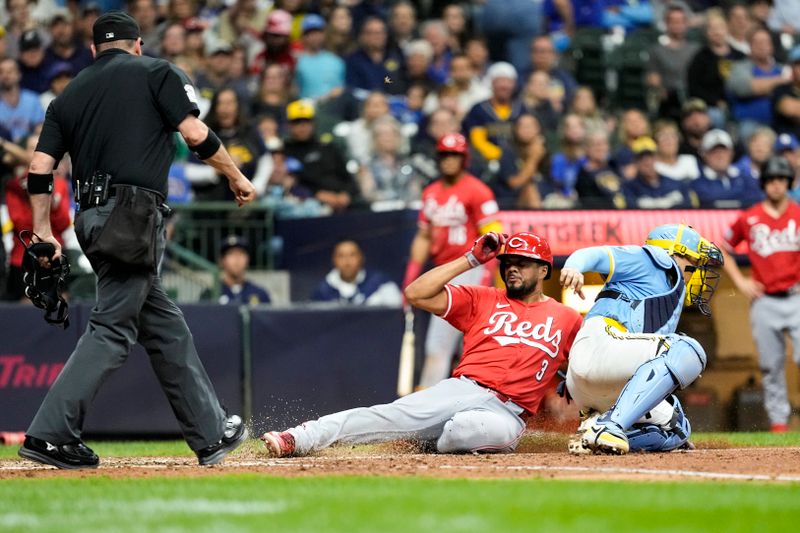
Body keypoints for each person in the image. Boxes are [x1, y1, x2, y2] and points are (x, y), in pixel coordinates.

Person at [17, 11, 254, 469]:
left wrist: (44, 230)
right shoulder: (157, 71)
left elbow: (39, 169)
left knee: (165, 327)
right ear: (138, 45)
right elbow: (195, 133)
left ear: (93, 50)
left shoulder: (67, 96)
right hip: (132, 214)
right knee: (111, 328)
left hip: (90, 218)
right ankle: (51, 434)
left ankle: (209, 432)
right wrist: (236, 176)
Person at [262, 231, 584, 457]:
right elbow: (416, 293)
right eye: (507, 261)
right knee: (386, 415)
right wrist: (470, 260)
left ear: (544, 270)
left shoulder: (567, 317)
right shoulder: (484, 298)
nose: (512, 267)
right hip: (464, 388)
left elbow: (588, 369)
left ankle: (431, 439)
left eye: (522, 262)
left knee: (466, 430)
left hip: (508, 411)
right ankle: (299, 438)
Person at [561, 223, 724, 454]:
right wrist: (574, 267)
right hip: (601, 345)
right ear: (674, 252)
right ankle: (611, 425)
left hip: (602, 381)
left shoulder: (670, 290)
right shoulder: (652, 259)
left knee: (677, 428)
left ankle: (593, 435)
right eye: (694, 263)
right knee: (688, 349)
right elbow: (594, 254)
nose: (697, 271)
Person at [403, 132, 502, 389]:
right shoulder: (431, 192)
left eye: (454, 155)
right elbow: (424, 236)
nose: (449, 160)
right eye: (445, 155)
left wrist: (484, 276)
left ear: (464, 158)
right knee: (444, 345)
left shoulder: (477, 190)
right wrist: (412, 274)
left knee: (449, 345)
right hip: (441, 272)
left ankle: (427, 402)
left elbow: (493, 238)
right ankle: (432, 401)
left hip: (468, 270)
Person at [720, 156, 800, 433]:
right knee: (770, 365)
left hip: (796, 296)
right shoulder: (750, 217)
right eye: (771, 180)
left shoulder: (798, 213)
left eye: (780, 179)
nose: (776, 185)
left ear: (788, 183)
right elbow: (723, 247)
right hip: (765, 300)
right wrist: (741, 282)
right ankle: (779, 422)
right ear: (764, 184)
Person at [311, 238, 402, 306]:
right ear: (334, 260)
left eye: (352, 255)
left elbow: (397, 314)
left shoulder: (381, 284)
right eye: (341, 256)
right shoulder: (322, 292)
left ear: (361, 257)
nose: (347, 262)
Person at [204, 236, 271, 306]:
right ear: (221, 261)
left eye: (241, 254)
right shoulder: (211, 294)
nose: (237, 258)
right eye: (231, 254)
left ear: (248, 259)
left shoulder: (259, 293)